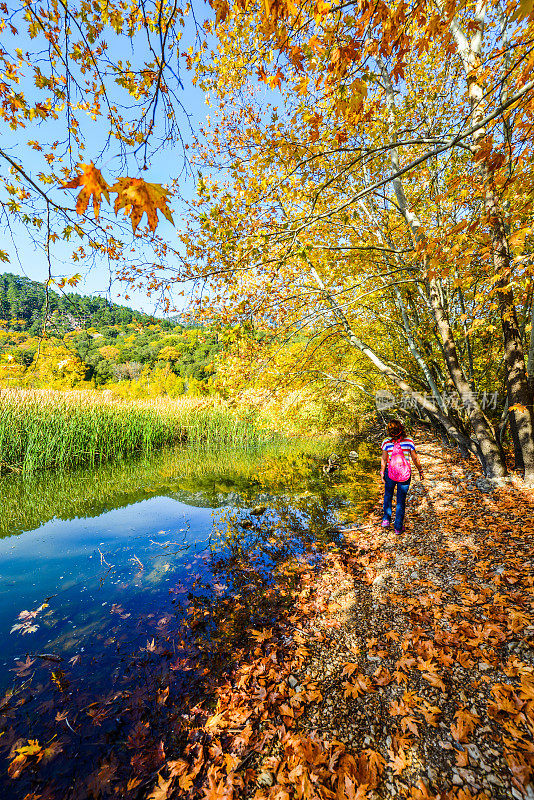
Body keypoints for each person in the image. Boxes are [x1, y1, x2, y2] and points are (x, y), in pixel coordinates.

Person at [380, 419, 424, 534]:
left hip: (390, 473)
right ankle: (398, 527)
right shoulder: (409, 441)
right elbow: (415, 458)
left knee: (388, 495)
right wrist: (420, 471)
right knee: (400, 500)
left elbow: (384, 459)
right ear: (401, 429)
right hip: (404, 474)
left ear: (389, 431)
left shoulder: (386, 442)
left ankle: (386, 520)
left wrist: (381, 472)